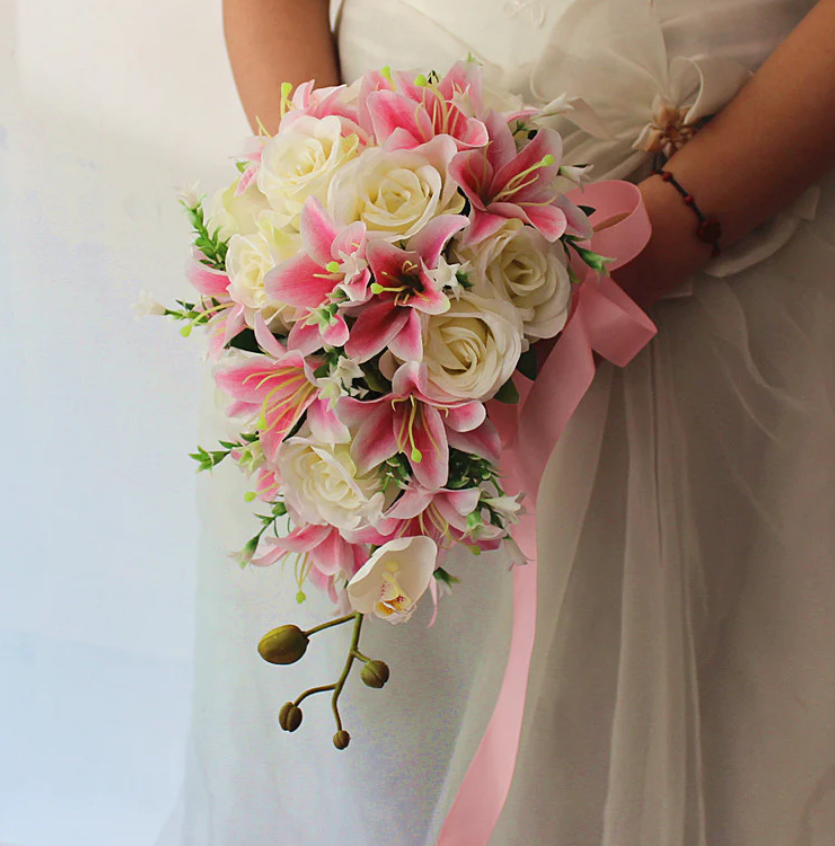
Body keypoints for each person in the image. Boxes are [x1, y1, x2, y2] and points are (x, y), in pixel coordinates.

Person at [158, 0, 835, 843]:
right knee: (372, 748)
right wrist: (319, 213)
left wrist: (659, 237)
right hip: (354, 270)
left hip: (736, 226)